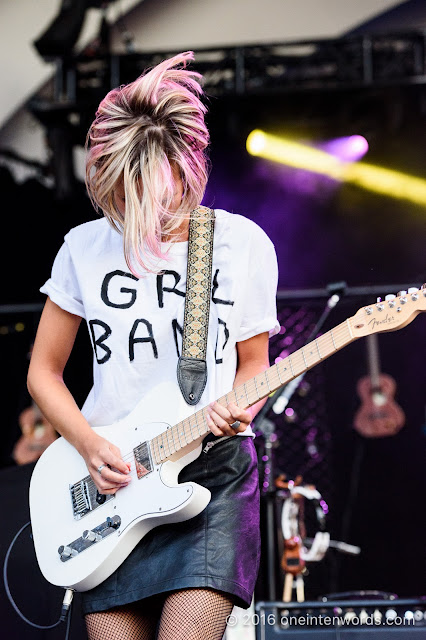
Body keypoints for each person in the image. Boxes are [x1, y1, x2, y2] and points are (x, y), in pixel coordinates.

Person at [27, 51, 279, 640]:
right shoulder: (83, 248)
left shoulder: (240, 245)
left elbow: (254, 365)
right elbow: (43, 371)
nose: (137, 214)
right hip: (115, 485)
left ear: (188, 171)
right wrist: (89, 447)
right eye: (119, 196)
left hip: (209, 480)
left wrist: (239, 407)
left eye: (152, 195)